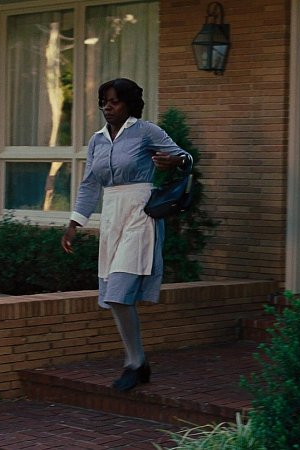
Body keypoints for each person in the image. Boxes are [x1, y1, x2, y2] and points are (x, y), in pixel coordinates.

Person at [61, 78, 191, 392]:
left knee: (118, 291)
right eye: (104, 101)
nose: (107, 107)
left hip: (139, 213)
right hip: (111, 215)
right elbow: (90, 184)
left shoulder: (146, 131)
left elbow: (186, 158)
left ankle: (134, 363)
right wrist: (74, 222)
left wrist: (175, 161)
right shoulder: (97, 140)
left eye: (114, 101)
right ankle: (137, 361)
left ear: (129, 104)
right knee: (113, 296)